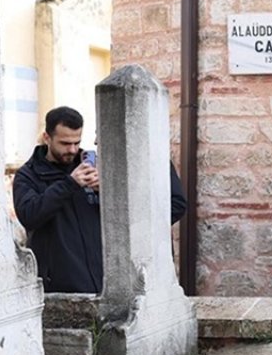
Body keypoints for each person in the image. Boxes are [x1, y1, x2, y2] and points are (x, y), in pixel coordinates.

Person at [14, 107, 188, 294]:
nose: (72, 150)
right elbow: (29, 215)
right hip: (59, 284)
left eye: (76, 142)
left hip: (104, 281)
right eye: (64, 143)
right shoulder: (28, 175)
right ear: (47, 138)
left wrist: (108, 192)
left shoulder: (95, 165)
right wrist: (69, 183)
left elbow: (123, 219)